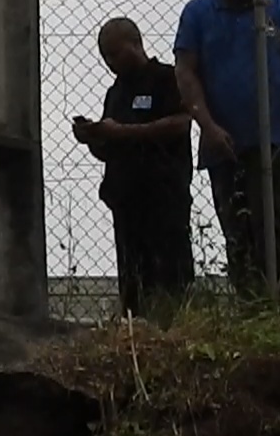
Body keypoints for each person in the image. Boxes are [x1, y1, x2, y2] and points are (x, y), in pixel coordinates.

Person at [172, 0, 280, 300]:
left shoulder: (279, 8)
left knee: (275, 227)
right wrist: (207, 125)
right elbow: (186, 72)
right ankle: (250, 307)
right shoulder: (198, 14)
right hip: (225, 143)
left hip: (276, 140)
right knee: (237, 231)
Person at [75, 17, 195, 320]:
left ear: (135, 44)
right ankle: (135, 329)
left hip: (164, 194)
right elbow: (110, 148)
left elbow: (181, 123)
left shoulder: (167, 79)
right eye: (105, 57)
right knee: (133, 277)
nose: (110, 63)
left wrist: (124, 132)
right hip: (126, 199)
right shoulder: (116, 93)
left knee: (170, 274)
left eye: (115, 53)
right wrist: (94, 138)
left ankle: (176, 327)